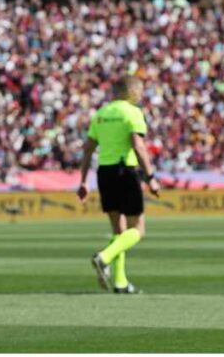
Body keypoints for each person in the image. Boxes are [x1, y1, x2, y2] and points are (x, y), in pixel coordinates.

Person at [77, 76, 161, 294]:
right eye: (140, 90)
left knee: (118, 229)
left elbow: (88, 148)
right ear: (131, 91)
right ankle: (104, 257)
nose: (141, 94)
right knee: (137, 230)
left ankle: (120, 282)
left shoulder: (101, 114)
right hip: (126, 171)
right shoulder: (132, 112)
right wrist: (150, 176)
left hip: (104, 173)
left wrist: (83, 181)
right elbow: (138, 145)